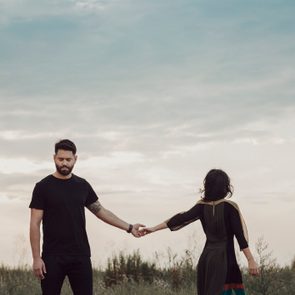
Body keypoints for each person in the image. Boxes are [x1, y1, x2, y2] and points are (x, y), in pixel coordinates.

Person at [29, 139, 144, 295]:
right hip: (52, 256)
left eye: (68, 160)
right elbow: (34, 223)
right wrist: (36, 258)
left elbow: (101, 211)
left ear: (75, 159)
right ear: (54, 158)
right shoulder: (43, 187)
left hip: (80, 255)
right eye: (60, 159)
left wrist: (129, 227)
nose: (64, 163)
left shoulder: (82, 185)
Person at [141, 169, 259, 295]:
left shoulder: (201, 206)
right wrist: (250, 259)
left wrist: (153, 228)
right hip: (226, 260)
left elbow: (180, 218)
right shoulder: (230, 207)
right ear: (225, 187)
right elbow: (240, 236)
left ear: (207, 186)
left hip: (207, 260)